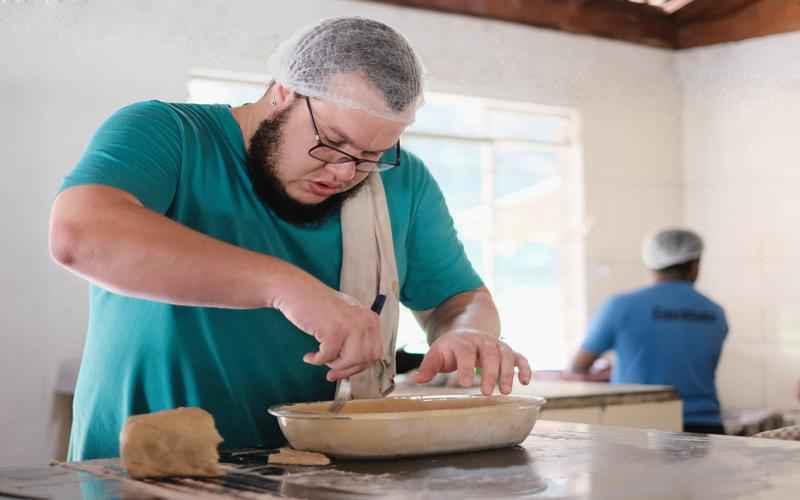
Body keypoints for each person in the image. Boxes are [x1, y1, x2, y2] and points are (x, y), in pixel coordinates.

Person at [49, 17, 532, 461]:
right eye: (333, 142)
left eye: (373, 154)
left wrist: (469, 332)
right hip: (138, 470)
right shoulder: (168, 134)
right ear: (282, 93)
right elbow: (81, 234)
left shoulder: (403, 185)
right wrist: (287, 287)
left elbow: (459, 298)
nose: (346, 171)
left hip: (316, 476)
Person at [569, 228, 728, 434]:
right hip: (706, 428)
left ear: (652, 264)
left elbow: (579, 365)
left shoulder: (621, 306)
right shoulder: (715, 313)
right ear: (694, 266)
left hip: (639, 426)